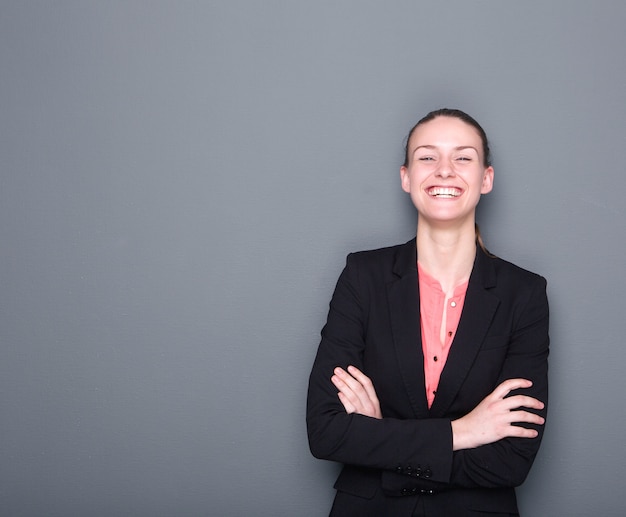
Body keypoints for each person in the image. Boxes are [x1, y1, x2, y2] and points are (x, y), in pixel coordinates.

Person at [306, 108, 549, 516]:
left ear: (486, 178)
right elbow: (327, 432)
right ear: (406, 177)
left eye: (463, 157)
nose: (444, 170)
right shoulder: (362, 277)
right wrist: (463, 431)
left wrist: (381, 437)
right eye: (427, 157)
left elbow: (512, 459)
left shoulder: (523, 294)